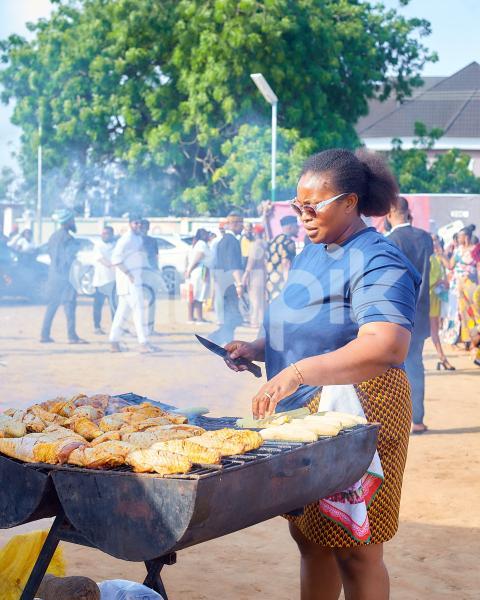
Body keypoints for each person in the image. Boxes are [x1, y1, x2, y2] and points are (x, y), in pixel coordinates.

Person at [224, 148, 420, 600]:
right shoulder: (313, 250)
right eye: (297, 206)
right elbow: (303, 314)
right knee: (309, 537)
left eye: (313, 206)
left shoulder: (377, 259)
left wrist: (298, 371)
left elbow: (385, 346)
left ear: (350, 202)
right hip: (301, 410)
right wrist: (258, 346)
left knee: (357, 547)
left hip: (358, 413)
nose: (303, 215)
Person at [387, 196, 433, 435]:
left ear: (390, 212)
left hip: (398, 313)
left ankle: (398, 421)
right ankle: (418, 419)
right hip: (422, 310)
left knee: (393, 369)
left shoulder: (390, 241)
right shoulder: (425, 238)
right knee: (416, 364)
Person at [109, 214, 155, 353]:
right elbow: (116, 260)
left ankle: (113, 341)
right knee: (139, 311)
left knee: (121, 313)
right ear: (130, 224)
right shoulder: (126, 239)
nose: (138, 225)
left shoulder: (137, 238)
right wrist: (129, 274)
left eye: (140, 223)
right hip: (129, 282)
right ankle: (143, 342)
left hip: (135, 280)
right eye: (136, 223)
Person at [40, 209, 87, 344]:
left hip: (54, 275)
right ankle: (72, 337)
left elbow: (52, 255)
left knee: (52, 305)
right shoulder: (68, 238)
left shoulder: (53, 236)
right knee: (70, 304)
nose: (74, 222)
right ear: (67, 222)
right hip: (65, 276)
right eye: (72, 220)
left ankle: (44, 335)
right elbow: (67, 259)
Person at [210, 212, 244, 345]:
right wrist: (239, 284)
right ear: (234, 224)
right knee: (233, 316)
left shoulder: (222, 241)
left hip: (222, 282)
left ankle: (226, 341)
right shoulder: (232, 241)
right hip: (229, 283)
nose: (242, 227)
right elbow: (233, 265)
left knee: (230, 315)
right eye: (241, 223)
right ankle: (216, 337)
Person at [429, 235, 455, 370]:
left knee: (434, 330)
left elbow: (449, 266)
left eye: (437, 241)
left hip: (435, 298)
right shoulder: (426, 257)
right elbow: (426, 279)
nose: (435, 243)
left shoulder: (436, 257)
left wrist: (441, 253)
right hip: (426, 298)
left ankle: (442, 358)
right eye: (432, 241)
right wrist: (440, 281)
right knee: (426, 332)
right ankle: (442, 358)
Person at [450, 225, 478, 349]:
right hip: (459, 285)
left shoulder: (475, 250)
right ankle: (468, 339)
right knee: (464, 312)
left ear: (465, 237)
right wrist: (440, 253)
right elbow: (450, 266)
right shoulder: (458, 251)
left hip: (472, 285)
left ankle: (477, 338)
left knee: (475, 311)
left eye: (460, 236)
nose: (458, 238)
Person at [265, 215, 298, 302]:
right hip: (281, 283)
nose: (298, 229)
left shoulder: (274, 240)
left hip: (270, 283)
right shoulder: (288, 242)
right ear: (290, 227)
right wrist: (288, 285)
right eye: (296, 226)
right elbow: (286, 264)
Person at [92, 226, 116, 335]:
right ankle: (97, 327)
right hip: (100, 281)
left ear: (112, 234)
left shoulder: (116, 245)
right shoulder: (98, 245)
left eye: (107, 233)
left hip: (113, 281)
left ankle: (116, 326)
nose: (104, 235)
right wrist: (112, 265)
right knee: (98, 305)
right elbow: (101, 259)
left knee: (114, 305)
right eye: (103, 233)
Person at [242, 224, 267, 329]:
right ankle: (261, 321)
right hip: (263, 273)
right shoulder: (264, 244)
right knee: (261, 299)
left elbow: (251, 262)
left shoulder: (254, 245)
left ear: (255, 233)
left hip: (255, 274)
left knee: (254, 298)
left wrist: (245, 276)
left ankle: (254, 321)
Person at [185, 228, 212, 323]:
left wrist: (188, 270)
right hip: (200, 271)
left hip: (197, 271)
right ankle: (199, 318)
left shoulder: (199, 244)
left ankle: (192, 317)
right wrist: (189, 270)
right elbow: (197, 258)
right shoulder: (201, 244)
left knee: (194, 294)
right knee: (198, 295)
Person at [140, 219, 159, 335]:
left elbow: (156, 256)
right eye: (142, 226)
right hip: (140, 273)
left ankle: (150, 328)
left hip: (151, 272)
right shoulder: (136, 241)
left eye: (146, 226)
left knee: (152, 301)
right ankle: (141, 328)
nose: (143, 228)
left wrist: (157, 270)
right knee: (140, 302)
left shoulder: (152, 240)